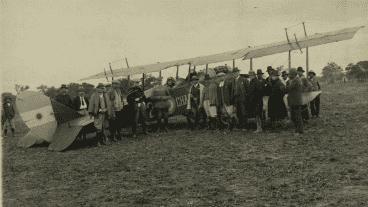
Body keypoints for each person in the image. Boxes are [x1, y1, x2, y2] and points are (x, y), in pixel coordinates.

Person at [284, 68, 304, 136]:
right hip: (295, 101)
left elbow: (288, 89)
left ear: (293, 74)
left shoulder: (295, 81)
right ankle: (298, 131)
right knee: (297, 116)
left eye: (289, 74)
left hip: (295, 101)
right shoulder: (296, 80)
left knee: (297, 117)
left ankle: (298, 131)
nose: (289, 75)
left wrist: (285, 83)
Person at [230, 67, 250, 131]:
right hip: (236, 99)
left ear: (239, 72)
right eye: (234, 73)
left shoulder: (244, 80)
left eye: (236, 72)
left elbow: (248, 90)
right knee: (238, 113)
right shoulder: (232, 81)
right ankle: (240, 126)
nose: (235, 74)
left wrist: (246, 98)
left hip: (243, 99)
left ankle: (245, 126)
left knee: (243, 112)